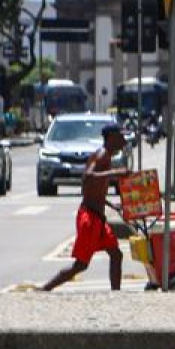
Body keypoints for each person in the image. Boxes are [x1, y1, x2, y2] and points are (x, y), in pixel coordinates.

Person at [41, 125, 130, 292]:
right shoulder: (102, 155)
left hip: (98, 217)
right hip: (89, 218)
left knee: (116, 255)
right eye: (121, 137)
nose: (124, 141)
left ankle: (117, 294)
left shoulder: (106, 157)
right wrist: (115, 172)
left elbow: (92, 190)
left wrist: (111, 204)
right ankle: (46, 289)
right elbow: (88, 177)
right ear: (111, 137)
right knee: (81, 265)